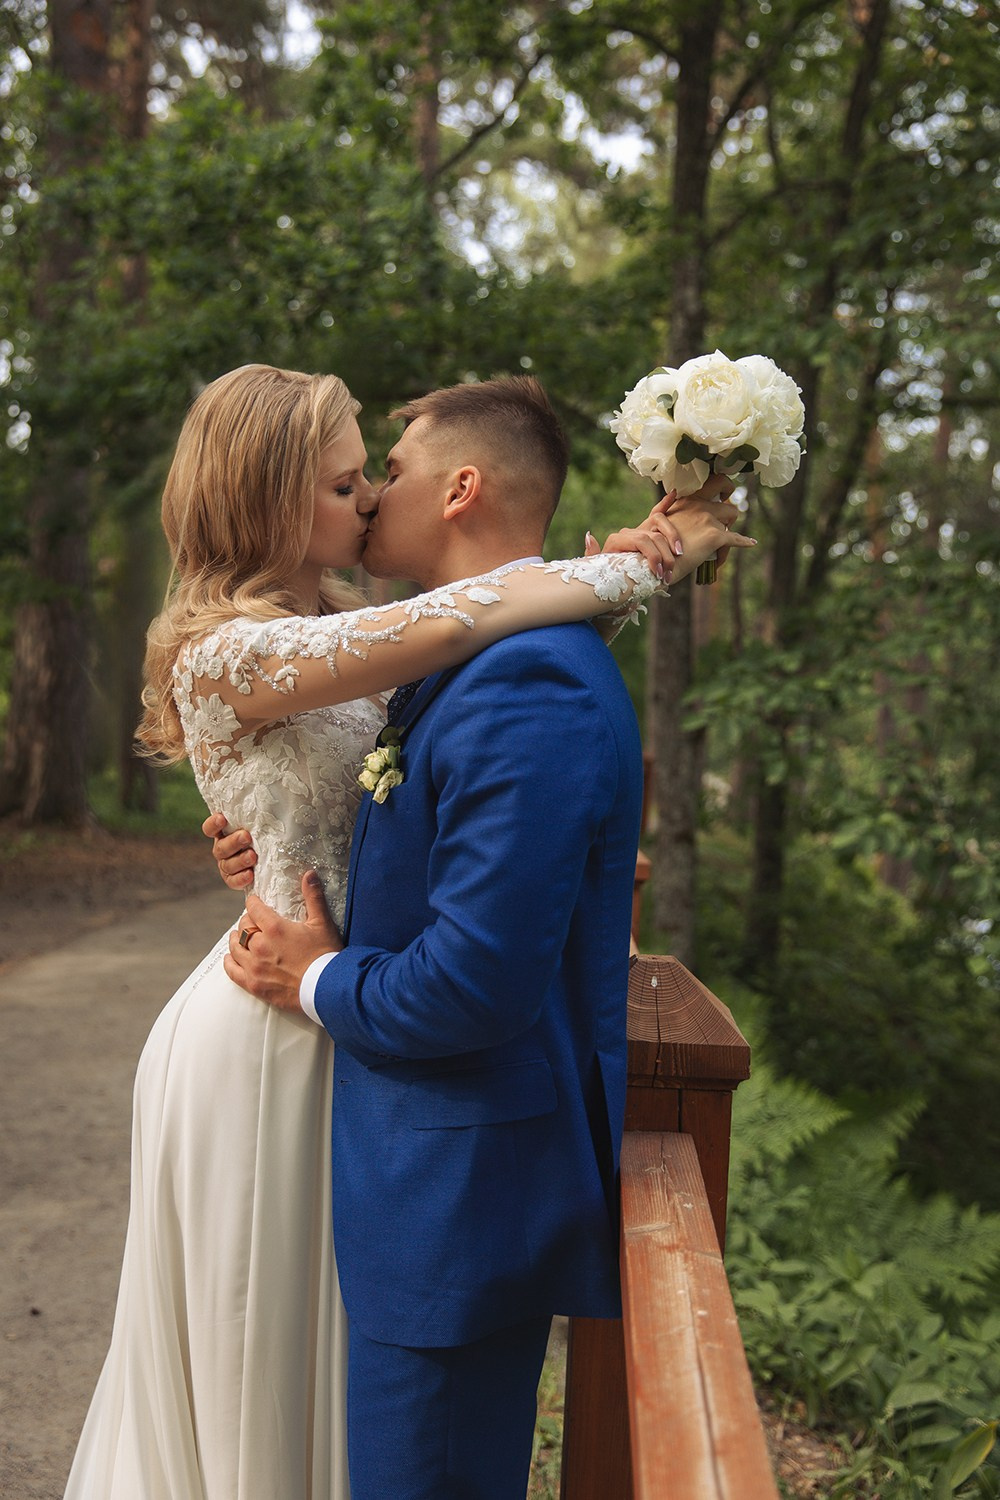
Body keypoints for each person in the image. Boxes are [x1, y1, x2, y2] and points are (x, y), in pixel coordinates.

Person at [64, 363, 746, 1500]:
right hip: (270, 1030)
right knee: (257, 1352)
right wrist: (638, 562)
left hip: (342, 1017)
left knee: (334, 1361)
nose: (373, 499)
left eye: (378, 475)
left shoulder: (346, 623)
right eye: (347, 482)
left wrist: (636, 563)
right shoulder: (232, 651)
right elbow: (471, 618)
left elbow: (488, 693)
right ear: (278, 499)